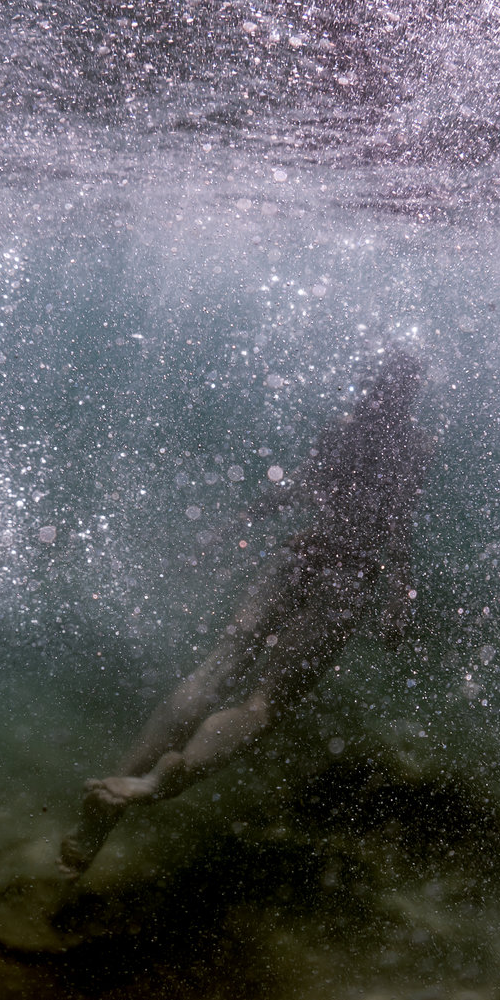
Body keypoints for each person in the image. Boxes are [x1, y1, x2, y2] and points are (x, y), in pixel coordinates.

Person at [58, 350, 433, 878]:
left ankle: (95, 825)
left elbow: (297, 489)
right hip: (347, 579)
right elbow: (396, 523)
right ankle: (158, 783)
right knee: (263, 704)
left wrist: (226, 529)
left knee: (215, 669)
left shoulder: (344, 429)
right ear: (412, 394)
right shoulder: (414, 446)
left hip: (298, 556)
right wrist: (399, 594)